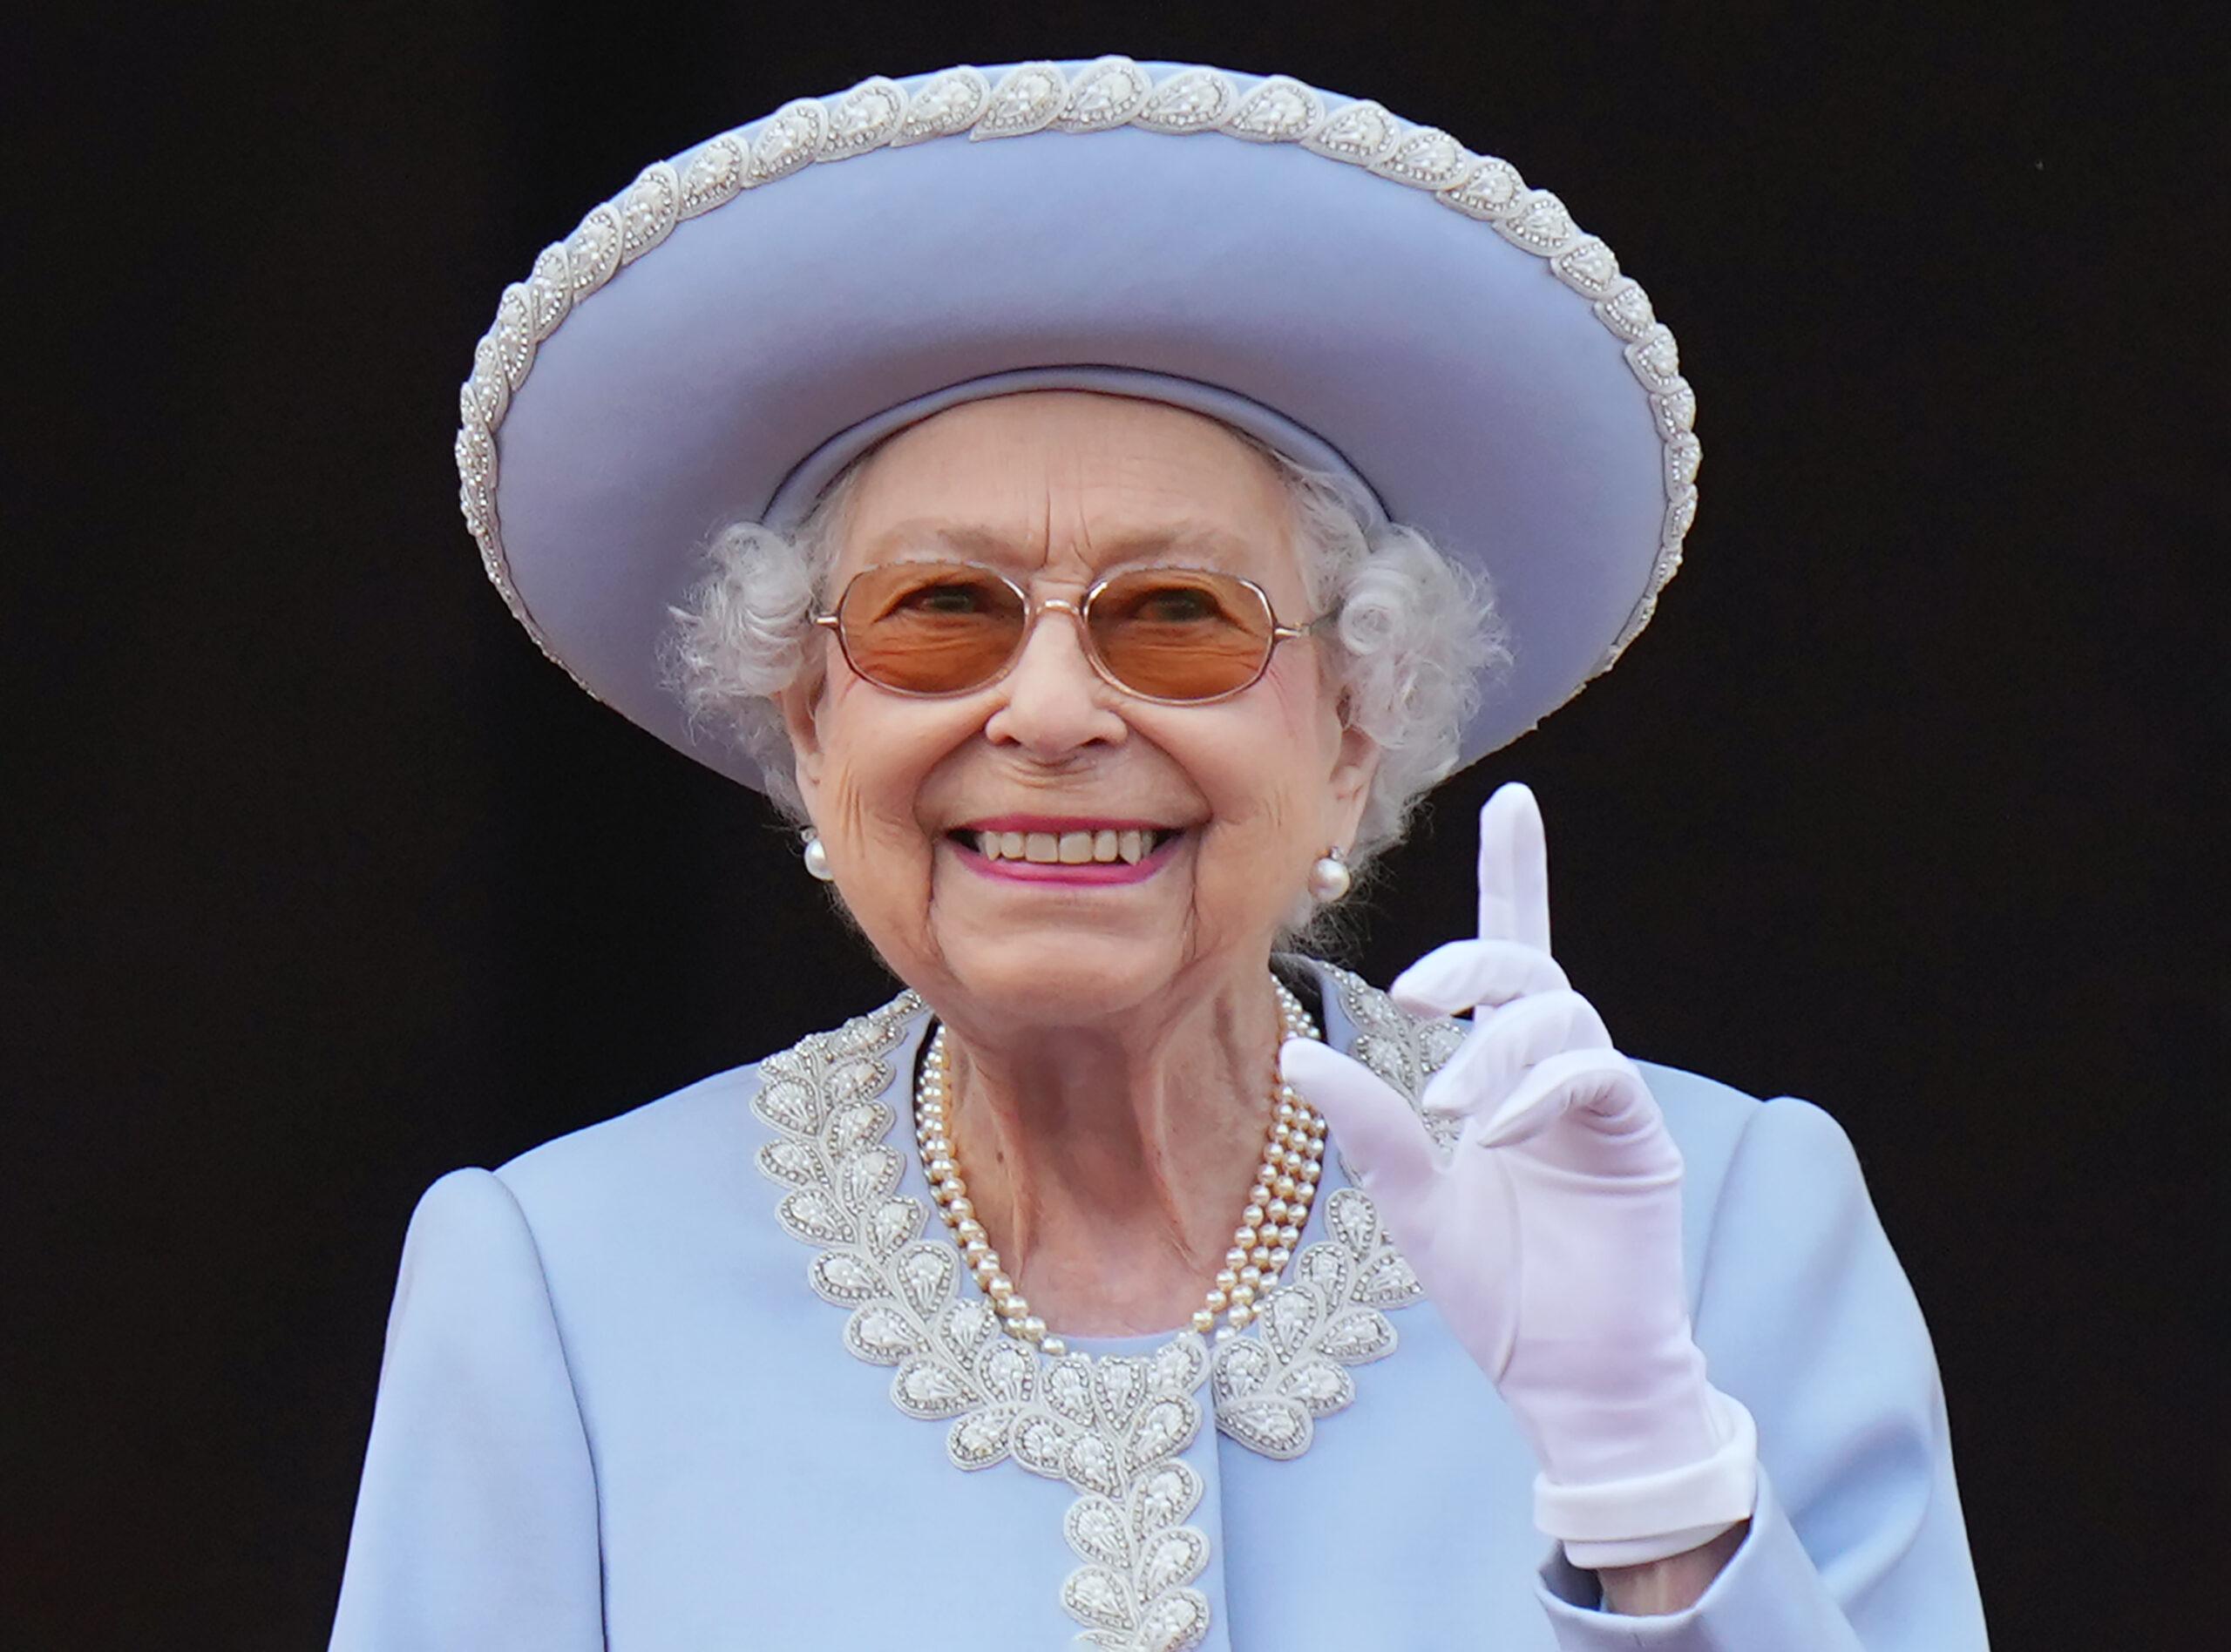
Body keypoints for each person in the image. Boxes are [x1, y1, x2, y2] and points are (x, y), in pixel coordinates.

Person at [334, 58, 1987, 1649]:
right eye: (940, 617)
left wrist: (1657, 1497)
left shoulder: (1724, 1227)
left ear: (1352, 732)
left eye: (1180, 619)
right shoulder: (556, 1281)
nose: (1048, 709)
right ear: (812, 729)